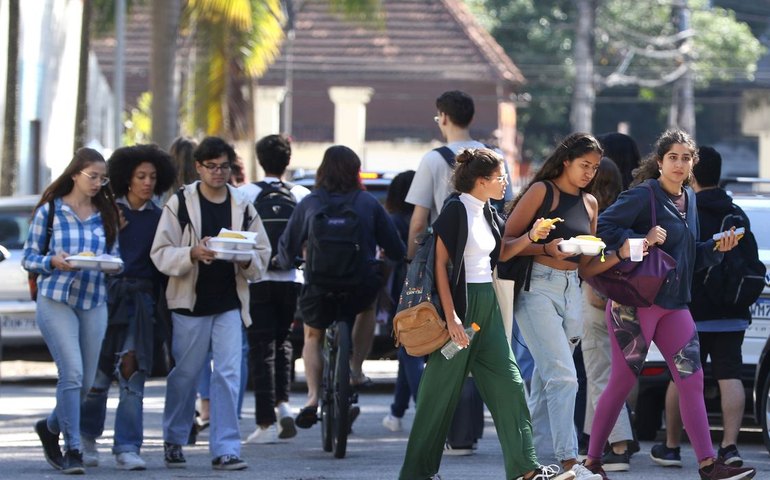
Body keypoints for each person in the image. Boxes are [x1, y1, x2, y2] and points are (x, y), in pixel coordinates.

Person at [583, 129, 756, 480]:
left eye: (686, 158)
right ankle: (591, 462)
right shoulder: (644, 195)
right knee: (620, 381)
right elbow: (602, 232)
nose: (679, 164)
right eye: (672, 157)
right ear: (659, 162)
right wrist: (640, 240)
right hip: (634, 303)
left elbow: (690, 256)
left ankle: (708, 463)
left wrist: (716, 249)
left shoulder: (690, 200)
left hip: (674, 305)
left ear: (693, 164)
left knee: (692, 379)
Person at [399, 148, 572, 480]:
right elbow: (439, 265)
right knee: (438, 396)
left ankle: (526, 470)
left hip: (486, 308)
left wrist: (531, 238)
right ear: (481, 181)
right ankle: (415, 474)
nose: (505, 182)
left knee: (509, 385)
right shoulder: (455, 211)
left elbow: (502, 251)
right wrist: (451, 318)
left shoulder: (489, 212)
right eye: (500, 177)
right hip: (461, 308)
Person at [151, 136, 271, 471]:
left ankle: (225, 448)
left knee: (228, 374)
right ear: (199, 167)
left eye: (225, 166)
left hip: (230, 303)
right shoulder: (181, 203)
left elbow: (262, 254)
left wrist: (244, 259)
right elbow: (160, 253)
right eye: (212, 167)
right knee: (185, 374)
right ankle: (174, 438)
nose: (219, 173)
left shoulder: (243, 205)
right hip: (189, 303)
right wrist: (192, 252)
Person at [405, 90, 511, 454]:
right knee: (458, 354)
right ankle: (465, 434)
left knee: (450, 354)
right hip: (472, 275)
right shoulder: (493, 158)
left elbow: (420, 221)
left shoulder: (434, 160)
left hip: (452, 273)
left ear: (444, 118)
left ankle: (452, 437)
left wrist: (409, 265)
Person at [275, 145, 405, 430]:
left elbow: (287, 248)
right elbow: (395, 247)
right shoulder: (367, 203)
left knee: (312, 337)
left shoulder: (310, 202)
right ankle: (356, 370)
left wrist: (282, 260)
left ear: (322, 171)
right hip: (359, 284)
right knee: (367, 307)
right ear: (355, 172)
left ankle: (311, 398)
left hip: (319, 284)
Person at [503, 132, 604, 480]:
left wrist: (622, 256)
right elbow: (505, 244)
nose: (589, 172)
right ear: (566, 161)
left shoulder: (591, 203)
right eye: (584, 165)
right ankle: (569, 463)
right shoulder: (542, 192)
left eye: (594, 167)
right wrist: (546, 248)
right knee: (564, 376)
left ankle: (528, 462)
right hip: (537, 288)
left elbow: (589, 264)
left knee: (547, 380)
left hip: (572, 290)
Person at [650, 146, 758, 469]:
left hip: (690, 312)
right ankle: (730, 447)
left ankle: (671, 446)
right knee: (730, 376)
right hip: (731, 314)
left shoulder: (685, 209)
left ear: (692, 172)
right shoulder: (736, 213)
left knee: (679, 377)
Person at [79, 144, 176, 470]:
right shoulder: (105, 212)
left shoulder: (162, 218)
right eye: (140, 176)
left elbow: (165, 264)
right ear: (127, 178)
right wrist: (109, 233)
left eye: (152, 177)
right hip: (105, 298)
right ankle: (85, 438)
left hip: (142, 303)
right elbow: (88, 254)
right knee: (98, 376)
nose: (147, 182)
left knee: (133, 374)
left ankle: (127, 447)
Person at [25, 148, 121, 474]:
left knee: (86, 382)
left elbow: (115, 257)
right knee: (73, 374)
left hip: (94, 300)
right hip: (56, 299)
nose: (97, 183)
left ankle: (50, 427)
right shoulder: (50, 212)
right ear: (76, 174)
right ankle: (73, 448)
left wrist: (111, 265)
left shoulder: (105, 213)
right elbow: (29, 258)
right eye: (92, 176)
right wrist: (51, 261)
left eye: (102, 178)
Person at [238, 134, 310, 443]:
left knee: (260, 347)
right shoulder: (301, 193)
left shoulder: (245, 193)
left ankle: (265, 423)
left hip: (257, 278)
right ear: (288, 161)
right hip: (292, 278)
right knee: (283, 343)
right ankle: (284, 406)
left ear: (259, 160)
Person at [579, 158, 636, 471]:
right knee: (607, 374)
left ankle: (619, 445)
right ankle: (596, 443)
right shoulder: (629, 213)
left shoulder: (591, 213)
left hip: (595, 300)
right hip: (626, 304)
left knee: (600, 374)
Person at [380, 170, 424, 433]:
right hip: (432, 289)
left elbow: (387, 260)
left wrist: (382, 292)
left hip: (401, 289)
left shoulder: (393, 221)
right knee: (406, 349)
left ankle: (424, 407)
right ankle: (396, 412)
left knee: (408, 350)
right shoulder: (429, 218)